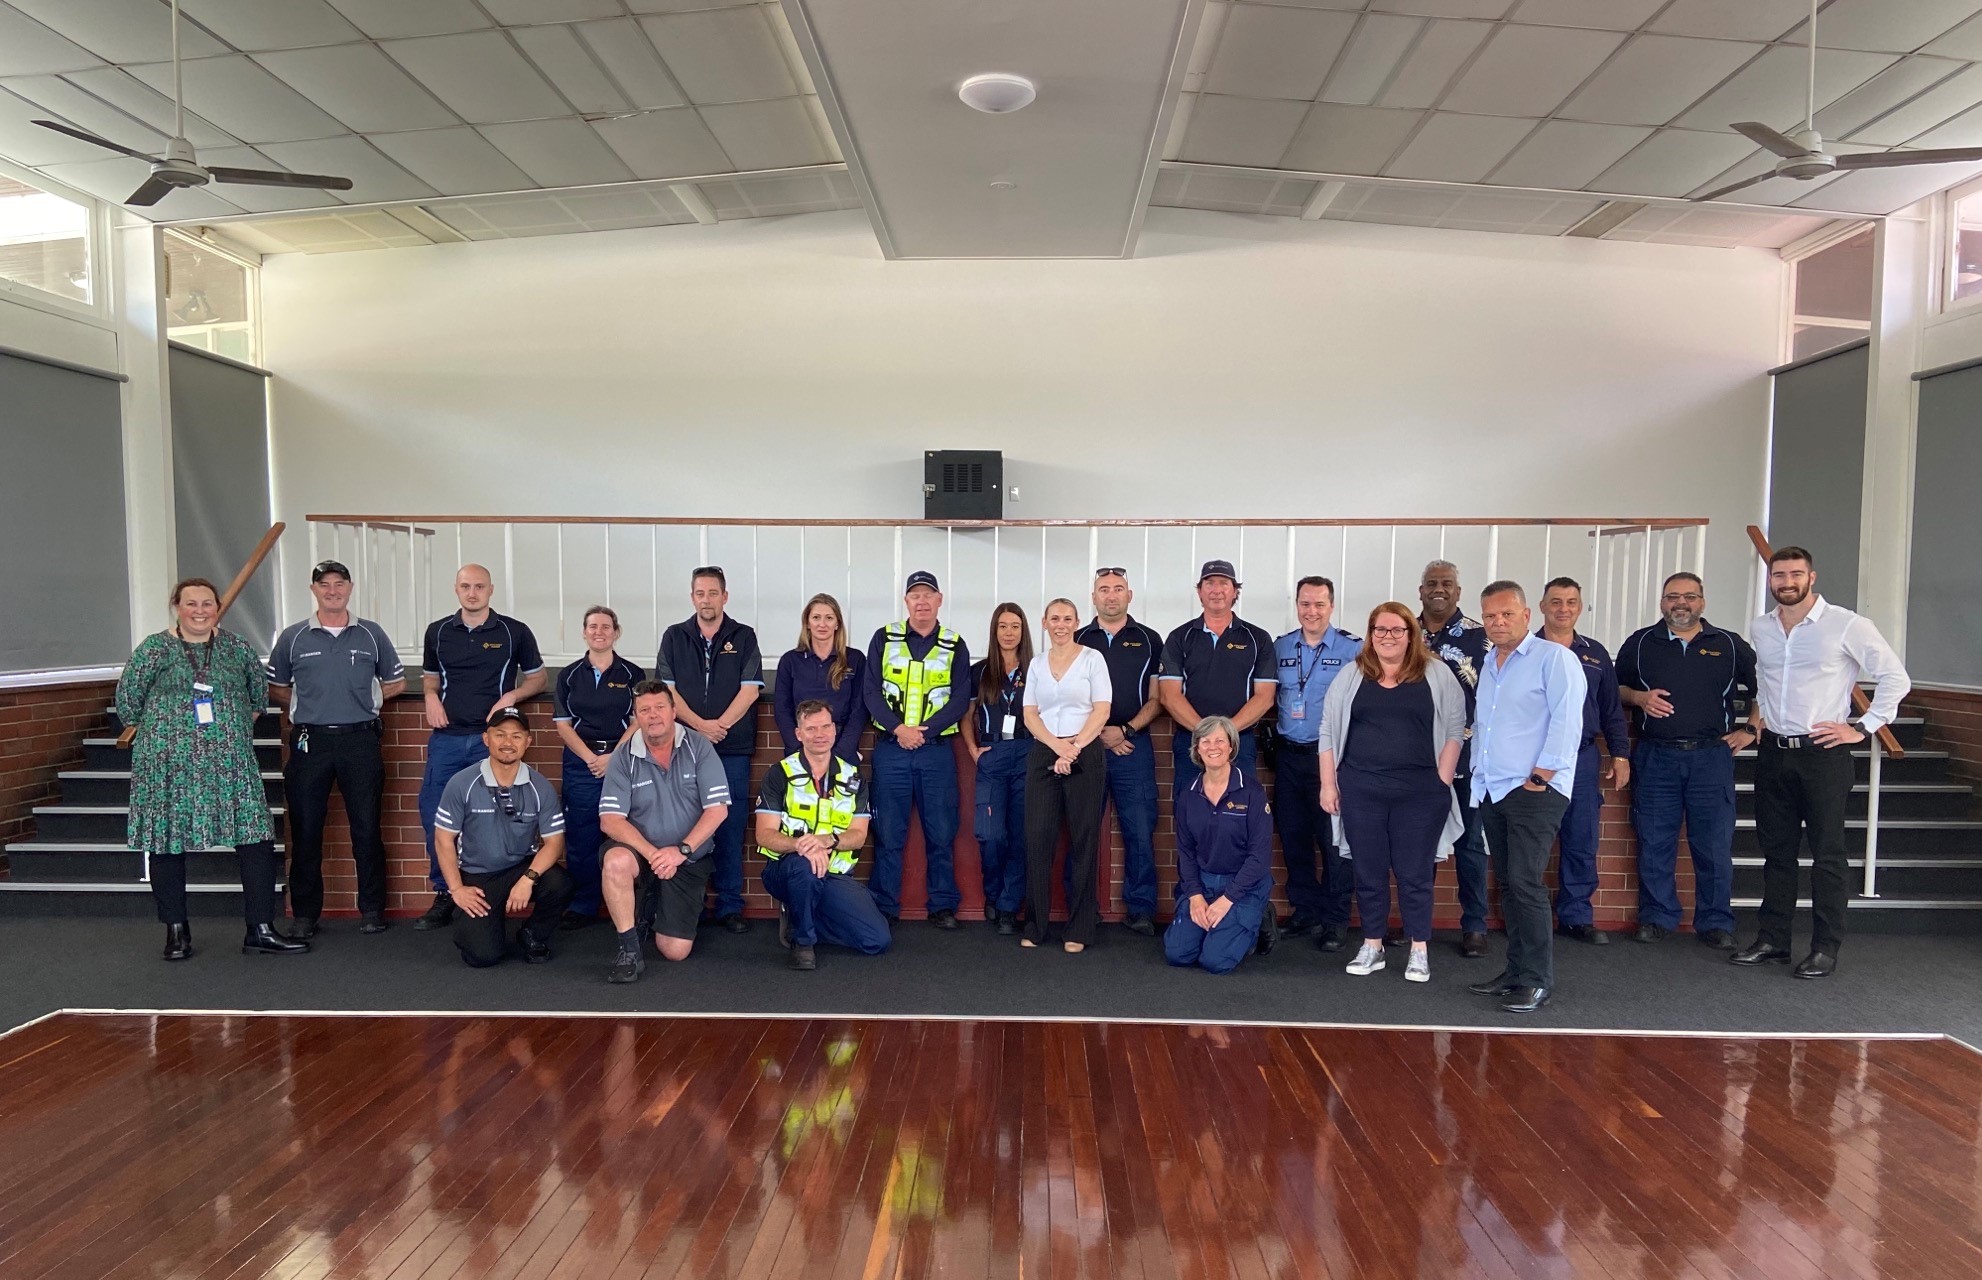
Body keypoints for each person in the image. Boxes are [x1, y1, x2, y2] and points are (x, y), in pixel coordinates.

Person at [1735, 547, 1910, 979]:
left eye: (1796, 574)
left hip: (1823, 755)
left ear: (1812, 577)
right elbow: (1766, 685)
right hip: (1774, 752)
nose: (1787, 581)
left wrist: (1863, 726)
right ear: (1771, 580)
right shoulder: (1762, 627)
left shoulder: (1846, 624)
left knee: (1828, 854)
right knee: (1777, 853)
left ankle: (1825, 947)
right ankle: (1773, 939)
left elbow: (1895, 677)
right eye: (1779, 575)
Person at [118, 578, 308, 960]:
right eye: (192, 604)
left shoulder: (236, 648)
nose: (200, 611)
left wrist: (224, 733)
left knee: (255, 837)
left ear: (218, 607)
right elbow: (128, 703)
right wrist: (173, 734)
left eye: (207, 604)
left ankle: (260, 928)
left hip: (230, 764)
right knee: (166, 842)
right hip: (167, 767)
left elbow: (257, 698)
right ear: (177, 606)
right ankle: (176, 931)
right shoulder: (153, 650)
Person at [1319, 604, 1464, 984]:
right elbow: (1328, 731)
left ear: (1411, 634)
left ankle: (1419, 950)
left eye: (1397, 630)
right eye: (1379, 630)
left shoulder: (1436, 674)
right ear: (1369, 634)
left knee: (1415, 873)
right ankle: (1372, 945)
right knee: (1368, 872)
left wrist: (1442, 780)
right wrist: (1328, 783)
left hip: (1420, 792)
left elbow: (1455, 726)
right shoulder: (1352, 675)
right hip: (1361, 789)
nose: (1388, 636)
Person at [1615, 572, 1754, 950]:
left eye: (1690, 597)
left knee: (1712, 844)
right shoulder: (1641, 643)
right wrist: (1640, 699)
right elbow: (1614, 688)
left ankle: (1715, 921)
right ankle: (1657, 916)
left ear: (1702, 602)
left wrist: (1751, 730)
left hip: (1711, 757)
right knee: (1654, 840)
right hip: (1656, 756)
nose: (1681, 603)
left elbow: (1769, 690)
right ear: (1662, 603)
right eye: (1673, 596)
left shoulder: (1728, 644)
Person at [266, 559, 405, 938]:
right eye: (324, 584)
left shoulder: (371, 634)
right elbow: (277, 687)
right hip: (311, 741)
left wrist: (365, 699)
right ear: (313, 590)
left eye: (339, 583)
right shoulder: (294, 637)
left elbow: (394, 682)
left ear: (350, 587)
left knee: (367, 828)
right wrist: (308, 705)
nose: (332, 590)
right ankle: (306, 914)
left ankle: (373, 909)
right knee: (306, 829)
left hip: (361, 739)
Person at [1465, 581, 1585, 1014]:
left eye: (1506, 614)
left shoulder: (1555, 659)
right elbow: (1488, 727)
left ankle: (1537, 980)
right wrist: (1480, 775)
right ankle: (1515, 972)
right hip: (1495, 788)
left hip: (1535, 789)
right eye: (1490, 616)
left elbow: (1568, 722)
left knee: (1525, 883)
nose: (1498, 622)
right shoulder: (1491, 663)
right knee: (1510, 885)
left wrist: (1541, 776)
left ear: (1526, 616)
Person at [416, 564, 546, 930]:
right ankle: (445, 894)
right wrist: (430, 696)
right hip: (448, 739)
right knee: (436, 817)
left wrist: (513, 695)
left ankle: (497, 890)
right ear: (455, 589)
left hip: (496, 742)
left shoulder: (513, 632)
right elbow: (429, 679)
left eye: (479, 587)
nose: (472, 593)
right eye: (465, 586)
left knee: (499, 820)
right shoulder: (437, 631)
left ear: (491, 590)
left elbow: (538, 678)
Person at [597, 680, 731, 982]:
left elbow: (718, 810)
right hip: (642, 853)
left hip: (687, 855)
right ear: (636, 716)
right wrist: (655, 854)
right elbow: (610, 821)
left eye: (660, 707)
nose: (653, 715)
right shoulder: (623, 756)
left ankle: (651, 905)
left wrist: (681, 851)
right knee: (615, 861)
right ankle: (629, 950)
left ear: (673, 711)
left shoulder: (700, 747)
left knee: (675, 951)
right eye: (644, 710)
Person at [655, 566, 763, 934]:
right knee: (687, 824)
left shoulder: (744, 636)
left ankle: (730, 904)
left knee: (730, 825)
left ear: (725, 596)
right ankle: (692, 903)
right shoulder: (674, 636)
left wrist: (719, 727)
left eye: (713, 593)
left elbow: (750, 690)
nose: (706, 599)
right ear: (692, 597)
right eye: (700, 593)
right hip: (684, 746)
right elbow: (667, 692)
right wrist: (700, 728)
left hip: (732, 747)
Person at [862, 571, 972, 928]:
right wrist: (899, 730)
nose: (921, 602)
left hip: (935, 750)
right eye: (915, 596)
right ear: (906, 601)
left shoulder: (955, 644)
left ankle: (942, 905)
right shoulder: (883, 638)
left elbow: (959, 699)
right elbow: (870, 693)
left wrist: (924, 733)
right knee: (889, 832)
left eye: (928, 595)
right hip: (892, 749)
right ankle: (885, 906)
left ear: (940, 600)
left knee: (941, 830)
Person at [755, 700, 891, 970]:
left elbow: (858, 836)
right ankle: (803, 943)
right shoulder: (779, 774)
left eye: (826, 726)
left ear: (834, 729)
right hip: (786, 869)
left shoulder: (853, 777)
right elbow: (764, 834)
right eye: (811, 728)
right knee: (805, 868)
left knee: (877, 940)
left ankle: (802, 915)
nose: (820, 734)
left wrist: (827, 841)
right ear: (799, 734)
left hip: (833, 875)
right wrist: (801, 845)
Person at [432, 707, 574, 968]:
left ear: (528, 741)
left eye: (516, 736)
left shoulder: (539, 786)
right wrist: (456, 890)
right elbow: (443, 839)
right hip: (478, 875)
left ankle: (532, 935)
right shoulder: (462, 783)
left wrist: (528, 880)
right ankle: (477, 926)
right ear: (486, 739)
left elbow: (554, 843)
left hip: (519, 868)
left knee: (559, 882)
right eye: (500, 735)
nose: (508, 743)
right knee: (483, 956)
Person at [1536, 577, 1633, 946]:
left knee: (1581, 837)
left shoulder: (1594, 653)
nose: (1563, 609)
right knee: (1532, 841)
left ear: (1580, 607)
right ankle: (1529, 917)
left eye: (1571, 602)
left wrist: (1620, 754)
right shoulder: (1525, 649)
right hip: (1537, 759)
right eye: (1556, 602)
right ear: (1542, 607)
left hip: (1582, 759)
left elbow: (1610, 709)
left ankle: (1576, 916)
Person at [1273, 575, 1363, 952]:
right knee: (1293, 837)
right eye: (1305, 603)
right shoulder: (1279, 647)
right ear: (1296, 605)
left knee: (1334, 842)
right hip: (1287, 756)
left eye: (1320, 604)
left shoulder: (1353, 649)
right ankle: (1306, 909)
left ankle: (1335, 918)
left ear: (1332, 605)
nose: (1312, 611)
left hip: (1330, 760)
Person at [1075, 569, 1165, 935]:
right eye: (1103, 590)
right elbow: (1063, 696)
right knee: (1082, 830)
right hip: (1084, 746)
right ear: (1093, 597)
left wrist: (1125, 730)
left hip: (1133, 745)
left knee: (1140, 830)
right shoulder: (1077, 638)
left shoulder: (1150, 639)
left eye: (1117, 590)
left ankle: (1141, 909)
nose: (1110, 596)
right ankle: (1082, 908)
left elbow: (1158, 699)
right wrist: (1096, 735)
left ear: (1129, 595)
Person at [1021, 598, 1113, 953]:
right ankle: (1036, 924)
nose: (1060, 624)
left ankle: (1079, 928)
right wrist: (1056, 748)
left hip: (1085, 748)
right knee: (1038, 838)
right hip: (1045, 749)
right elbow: (1030, 713)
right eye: (1054, 618)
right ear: (1044, 623)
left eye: (1067, 618)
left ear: (1077, 622)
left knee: (1083, 840)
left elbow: (1101, 708)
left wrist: (1073, 747)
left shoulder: (1092, 659)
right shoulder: (1037, 663)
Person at [1418, 559, 1493, 958]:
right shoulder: (1402, 632)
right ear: (1421, 590)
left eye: (1447, 583)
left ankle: (1475, 926)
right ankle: (1418, 926)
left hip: (1466, 757)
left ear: (1459, 592)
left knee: (1469, 844)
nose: (1439, 589)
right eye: (1431, 583)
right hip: (1414, 759)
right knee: (1418, 845)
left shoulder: (1481, 639)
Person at [551, 605, 642, 931]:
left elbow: (639, 722)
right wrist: (590, 758)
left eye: (606, 627)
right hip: (581, 763)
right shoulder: (568, 675)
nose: (599, 632)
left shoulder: (633, 674)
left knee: (627, 829)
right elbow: (563, 725)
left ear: (616, 632)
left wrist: (613, 757)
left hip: (622, 760)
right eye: (592, 627)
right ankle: (584, 903)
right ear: (584, 632)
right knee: (582, 833)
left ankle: (628, 903)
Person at [1163, 716, 1274, 975]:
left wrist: (1227, 900)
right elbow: (1186, 853)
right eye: (1206, 741)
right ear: (1197, 749)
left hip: (1243, 886)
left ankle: (1258, 916)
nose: (1213, 747)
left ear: (1231, 747)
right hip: (1203, 884)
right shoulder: (1188, 795)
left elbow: (1259, 858)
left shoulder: (1252, 793)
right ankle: (1217, 929)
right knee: (1177, 954)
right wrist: (1195, 896)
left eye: (1220, 741)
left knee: (1215, 961)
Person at [1157, 560, 1276, 799]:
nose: (1216, 590)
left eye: (1224, 583)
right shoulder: (1179, 637)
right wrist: (1207, 736)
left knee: (1241, 813)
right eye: (1209, 583)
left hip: (1239, 743)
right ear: (1200, 591)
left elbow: (1265, 697)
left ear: (1235, 591)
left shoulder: (1258, 638)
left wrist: (1224, 735)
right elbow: (1169, 696)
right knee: (1189, 811)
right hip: (1191, 741)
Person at [964, 603, 1032, 936]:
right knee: (991, 835)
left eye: (1015, 626)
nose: (1009, 632)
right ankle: (993, 892)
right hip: (992, 754)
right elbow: (967, 716)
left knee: (1021, 835)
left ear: (1024, 631)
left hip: (1027, 753)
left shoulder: (1038, 670)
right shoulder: (979, 671)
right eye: (1003, 626)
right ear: (994, 631)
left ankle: (1008, 907)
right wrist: (974, 750)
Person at [773, 594, 867, 762]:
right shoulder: (790, 661)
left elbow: (858, 709)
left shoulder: (855, 659)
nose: (822, 624)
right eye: (816, 618)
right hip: (801, 750)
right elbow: (782, 709)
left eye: (829, 618)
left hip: (843, 750)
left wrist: (842, 752)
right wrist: (799, 750)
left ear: (837, 623)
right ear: (807, 623)